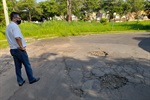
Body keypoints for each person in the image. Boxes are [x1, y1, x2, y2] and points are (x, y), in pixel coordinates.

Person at [5, 12, 40, 86]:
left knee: (17, 66)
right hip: (19, 50)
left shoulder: (8, 27)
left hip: (13, 49)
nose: (19, 19)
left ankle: (20, 81)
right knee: (27, 64)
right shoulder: (15, 26)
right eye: (18, 18)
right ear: (14, 18)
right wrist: (22, 47)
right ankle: (31, 79)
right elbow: (17, 38)